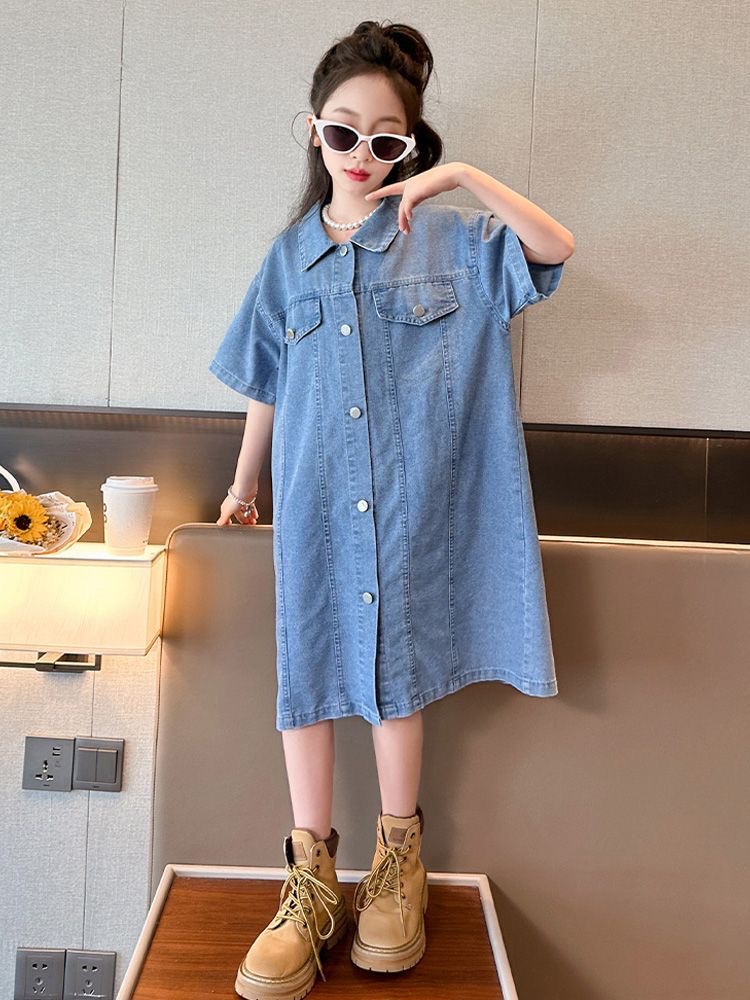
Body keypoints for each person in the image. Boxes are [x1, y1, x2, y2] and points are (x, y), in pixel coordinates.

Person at [210, 18, 574, 1000]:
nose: (360, 154)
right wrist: (244, 484)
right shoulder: (289, 258)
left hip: (415, 516)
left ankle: (398, 867)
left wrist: (461, 178)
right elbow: (266, 382)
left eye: (385, 139)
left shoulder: (453, 241)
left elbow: (555, 247)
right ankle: (309, 883)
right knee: (307, 678)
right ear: (314, 133)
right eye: (342, 132)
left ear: (409, 146)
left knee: (394, 682)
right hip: (316, 513)